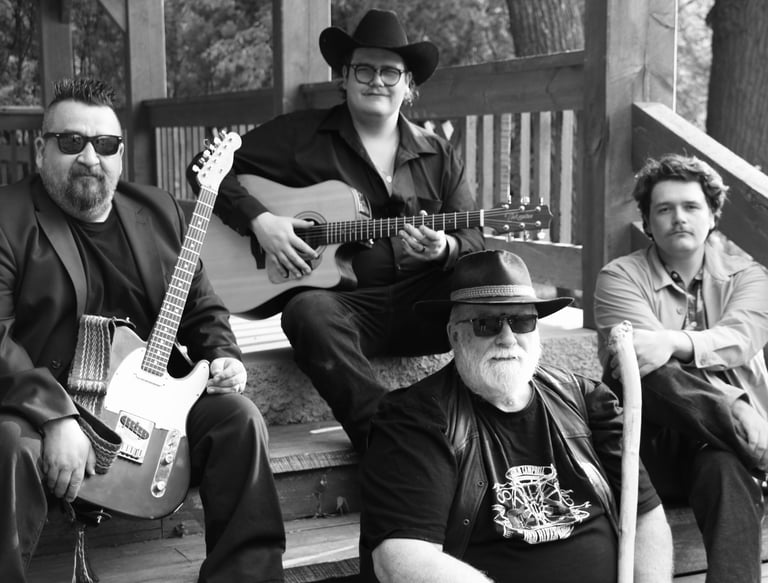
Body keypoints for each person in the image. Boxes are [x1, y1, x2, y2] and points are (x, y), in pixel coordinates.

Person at [0, 78, 285, 583]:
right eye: (71, 141)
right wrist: (55, 416)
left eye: (105, 144)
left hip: (150, 405)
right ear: (42, 150)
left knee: (237, 419)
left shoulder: (159, 211)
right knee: (9, 444)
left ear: (121, 154)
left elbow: (201, 307)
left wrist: (223, 355)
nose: (90, 157)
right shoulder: (7, 218)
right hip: (49, 397)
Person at [188, 9, 484, 453]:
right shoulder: (301, 137)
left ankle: (496, 418)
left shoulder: (439, 154)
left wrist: (445, 248)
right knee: (305, 311)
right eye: (364, 69)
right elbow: (205, 166)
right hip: (344, 311)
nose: (376, 81)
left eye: (390, 72)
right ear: (345, 77)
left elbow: (475, 240)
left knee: (497, 277)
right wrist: (261, 222)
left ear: (408, 85)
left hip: (421, 309)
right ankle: (385, 439)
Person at [360, 249, 673, 583]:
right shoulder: (416, 419)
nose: (507, 338)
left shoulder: (586, 400)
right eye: (486, 324)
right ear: (454, 335)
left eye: (522, 321)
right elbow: (404, 561)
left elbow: (644, 513)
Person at [594, 153, 768, 583]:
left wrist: (674, 341)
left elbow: (741, 338)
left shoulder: (751, 278)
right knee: (638, 366)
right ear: (647, 222)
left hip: (717, 451)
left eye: (691, 206)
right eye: (664, 209)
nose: (679, 218)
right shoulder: (619, 277)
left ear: (713, 216)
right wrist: (739, 409)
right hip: (646, 449)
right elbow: (644, 360)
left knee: (725, 467)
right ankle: (748, 435)